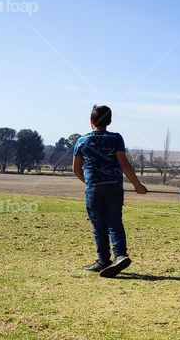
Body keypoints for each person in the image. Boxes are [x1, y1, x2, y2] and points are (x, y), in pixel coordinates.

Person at [72, 105, 147, 278]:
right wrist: (137, 185)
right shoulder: (116, 138)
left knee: (98, 224)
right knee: (114, 221)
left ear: (91, 121)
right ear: (109, 121)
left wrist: (89, 182)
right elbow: (124, 164)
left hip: (94, 188)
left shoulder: (82, 141)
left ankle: (103, 260)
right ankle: (120, 255)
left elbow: (76, 169)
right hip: (114, 186)